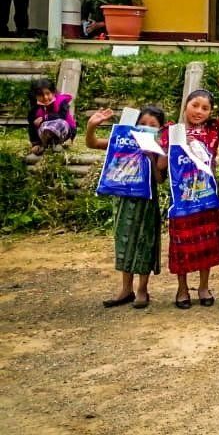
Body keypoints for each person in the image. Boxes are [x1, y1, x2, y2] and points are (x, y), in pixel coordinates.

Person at [167, 78, 219, 309]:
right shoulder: (171, 131)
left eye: (205, 108)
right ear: (186, 106)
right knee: (181, 246)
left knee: (206, 246)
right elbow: (162, 161)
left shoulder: (213, 129)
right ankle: (182, 288)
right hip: (181, 201)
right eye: (195, 105)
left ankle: (203, 286)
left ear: (210, 112)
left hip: (207, 198)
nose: (199, 111)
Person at [84, 105, 166, 310]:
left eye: (152, 125)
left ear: (160, 129)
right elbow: (92, 143)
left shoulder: (159, 147)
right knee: (124, 242)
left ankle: (142, 290)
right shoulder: (122, 141)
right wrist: (92, 126)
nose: (146, 127)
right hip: (123, 200)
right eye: (142, 123)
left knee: (145, 243)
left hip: (147, 201)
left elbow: (160, 179)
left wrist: (151, 156)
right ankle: (126, 289)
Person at [27, 77, 76, 155]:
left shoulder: (61, 102)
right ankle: (44, 145)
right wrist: (35, 143)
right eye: (41, 95)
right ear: (35, 96)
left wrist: (44, 118)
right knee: (41, 126)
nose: (45, 97)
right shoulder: (35, 109)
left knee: (58, 123)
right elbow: (32, 126)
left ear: (53, 93)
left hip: (64, 132)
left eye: (48, 93)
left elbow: (62, 116)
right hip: (44, 135)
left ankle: (57, 143)